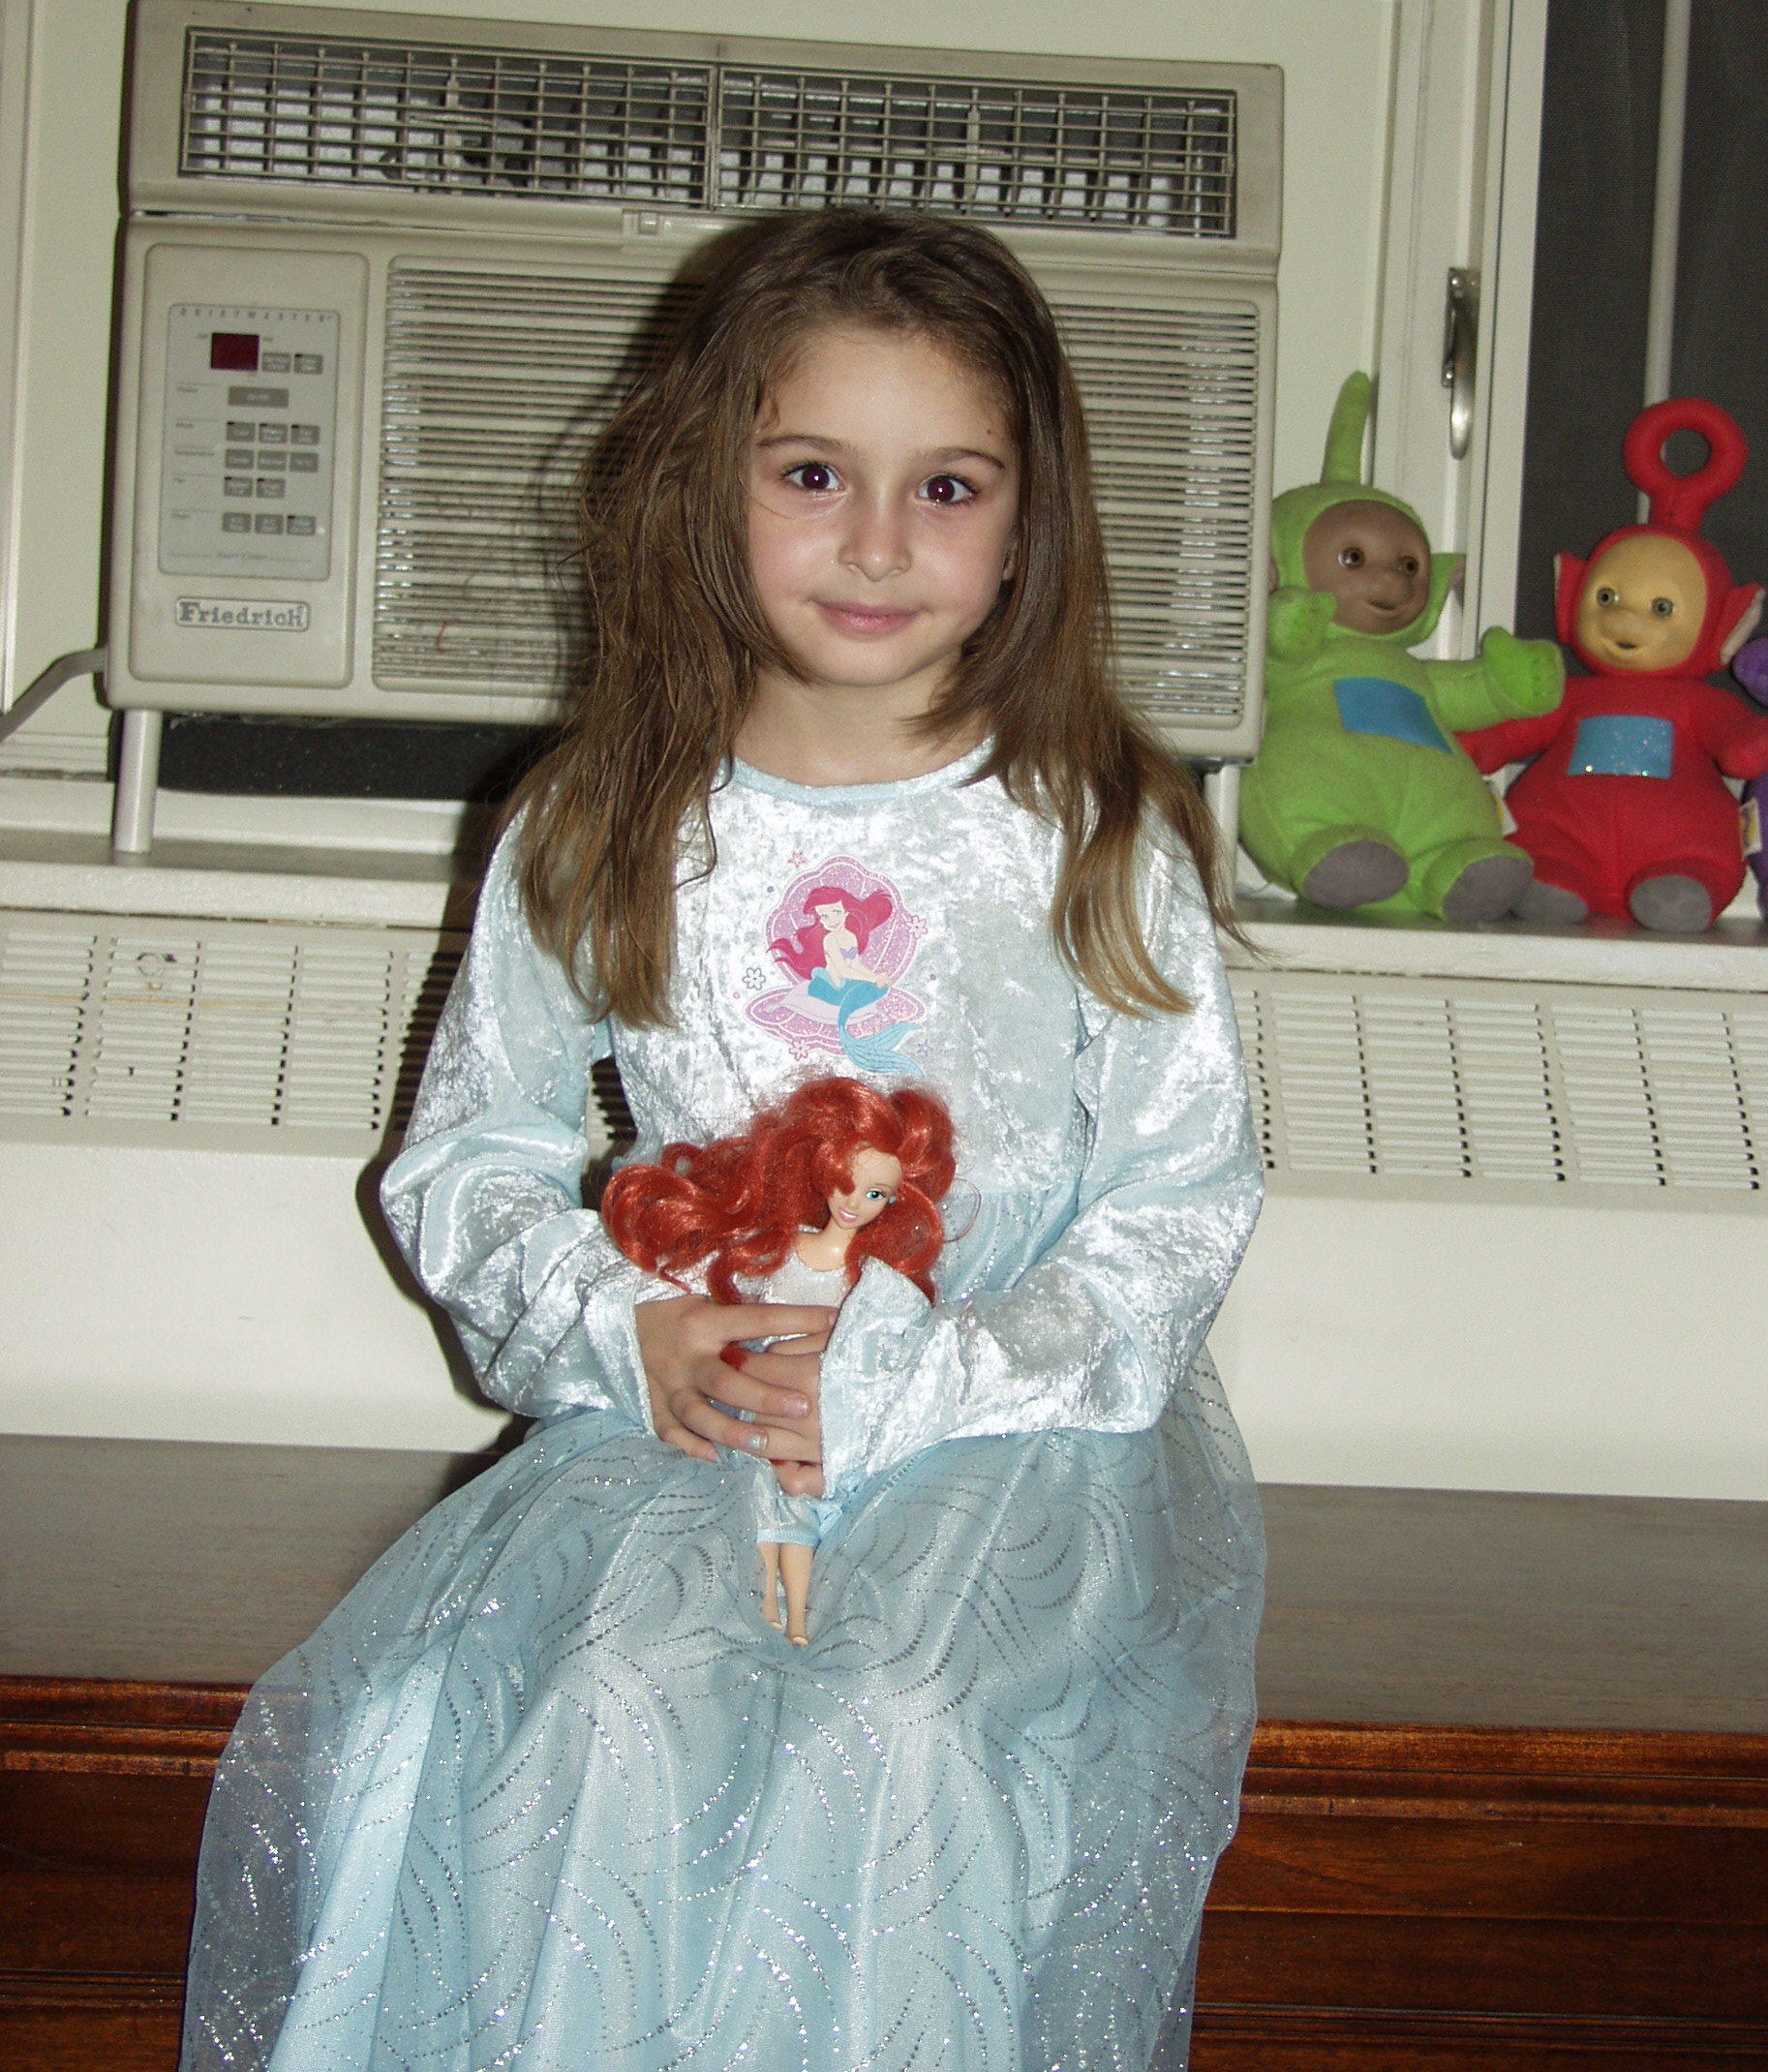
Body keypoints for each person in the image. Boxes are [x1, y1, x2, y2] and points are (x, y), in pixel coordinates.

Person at [180, 207, 1266, 2072]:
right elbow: (470, 1159)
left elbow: (1178, 1198)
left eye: (947, 487)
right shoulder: (604, 822)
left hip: (1010, 1441)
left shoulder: (1091, 830)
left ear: (1027, 528)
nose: (877, 540)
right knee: (546, 1707)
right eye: (814, 473)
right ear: (711, 486)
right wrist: (631, 1329)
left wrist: (931, 1376)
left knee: (899, 1732)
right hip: (695, 1419)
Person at [603, 1074, 959, 1645]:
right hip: (750, 1404)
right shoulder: (785, 1250)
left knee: (802, 1525)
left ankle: (795, 1619)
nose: (853, 1203)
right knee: (759, 1512)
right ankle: (767, 1602)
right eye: (845, 1184)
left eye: (875, 1195)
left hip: (835, 1420)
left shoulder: (874, 1279)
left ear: (896, 1200)